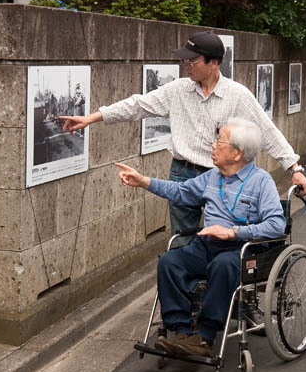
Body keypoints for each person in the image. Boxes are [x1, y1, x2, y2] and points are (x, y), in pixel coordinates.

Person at [60, 30, 306, 236]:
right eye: (185, 61)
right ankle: (186, 291)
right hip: (182, 172)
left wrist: (294, 169)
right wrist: (92, 117)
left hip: (221, 176)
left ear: (213, 63)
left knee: (218, 238)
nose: (187, 65)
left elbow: (267, 131)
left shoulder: (238, 95)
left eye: (193, 61)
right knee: (181, 239)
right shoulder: (177, 90)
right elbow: (138, 105)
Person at [115, 119, 285, 358]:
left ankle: (205, 336)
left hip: (244, 249)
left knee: (223, 264)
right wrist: (144, 181)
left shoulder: (261, 181)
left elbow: (277, 225)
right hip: (207, 244)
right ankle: (182, 331)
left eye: (220, 141)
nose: (213, 145)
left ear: (237, 153)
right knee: (169, 261)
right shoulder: (213, 177)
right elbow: (180, 191)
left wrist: (233, 232)